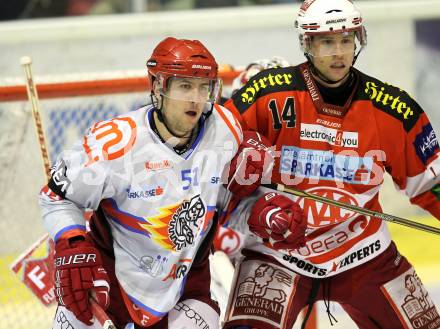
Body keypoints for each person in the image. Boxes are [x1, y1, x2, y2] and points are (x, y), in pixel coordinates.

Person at [221, 0, 440, 328]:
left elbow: (430, 182)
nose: (338, 52)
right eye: (326, 42)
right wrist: (241, 189)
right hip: (277, 255)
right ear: (307, 44)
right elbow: (207, 169)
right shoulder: (266, 96)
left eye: (346, 40)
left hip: (365, 253)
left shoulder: (393, 109)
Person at [38, 36, 259, 329]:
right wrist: (71, 243)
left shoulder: (226, 130)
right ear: (158, 86)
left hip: (186, 290)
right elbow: (56, 197)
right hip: (107, 285)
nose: (195, 97)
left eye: (203, 87)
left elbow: (229, 202)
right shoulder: (116, 141)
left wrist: (260, 208)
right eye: (184, 86)